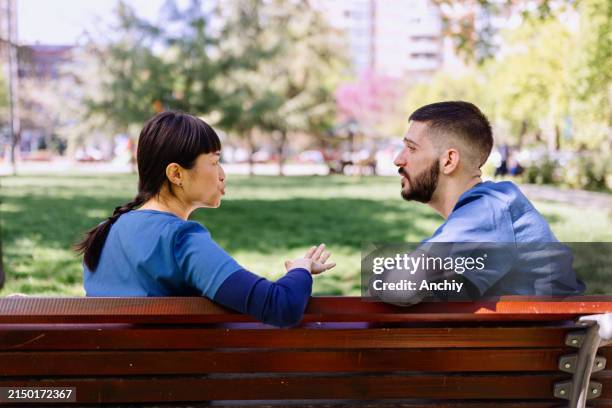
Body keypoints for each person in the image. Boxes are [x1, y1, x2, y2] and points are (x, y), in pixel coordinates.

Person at [75, 111, 335, 327]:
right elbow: (280, 306)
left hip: (111, 382)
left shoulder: (104, 232)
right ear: (176, 174)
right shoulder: (179, 240)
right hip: (177, 384)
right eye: (214, 162)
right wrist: (301, 269)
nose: (222, 174)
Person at [370, 101, 584, 305]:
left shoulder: (488, 211)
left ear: (449, 161)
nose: (398, 159)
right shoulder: (493, 211)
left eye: (412, 148)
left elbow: (400, 287)